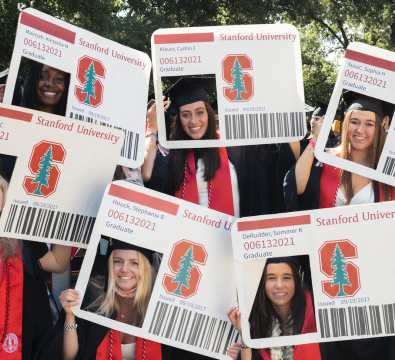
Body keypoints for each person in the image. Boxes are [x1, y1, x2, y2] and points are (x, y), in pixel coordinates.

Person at [284, 92, 395, 359]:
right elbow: (295, 187)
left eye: (369, 123)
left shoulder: (388, 170)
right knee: (331, 343)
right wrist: (315, 142)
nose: (361, 130)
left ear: (382, 125)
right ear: (345, 122)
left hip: (374, 273)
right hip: (329, 271)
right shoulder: (328, 159)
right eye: (355, 121)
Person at [33, 239, 204, 360]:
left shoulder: (162, 304)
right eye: (118, 261)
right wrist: (70, 314)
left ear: (145, 268)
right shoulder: (92, 296)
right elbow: (69, 356)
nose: (124, 269)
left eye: (134, 263)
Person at [142, 77, 284, 217]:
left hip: (233, 236)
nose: (194, 121)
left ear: (209, 113)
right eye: (186, 115)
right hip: (188, 238)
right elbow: (147, 175)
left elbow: (277, 161)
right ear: (179, 118)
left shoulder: (235, 147)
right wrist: (153, 127)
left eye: (200, 112)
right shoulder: (173, 154)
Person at [0, 153, 71, 359]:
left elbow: (57, 263)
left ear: (3, 188)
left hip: (16, 348)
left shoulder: (21, 239)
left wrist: (68, 218)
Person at [227, 257, 320, 360]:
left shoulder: (318, 313)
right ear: (263, 281)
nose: (279, 285)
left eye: (287, 277)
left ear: (298, 279)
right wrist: (245, 340)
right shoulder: (257, 319)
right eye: (271, 278)